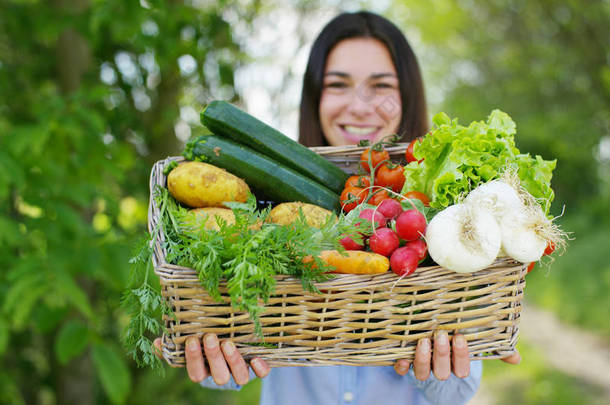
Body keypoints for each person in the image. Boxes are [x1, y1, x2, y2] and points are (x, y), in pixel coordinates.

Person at [154, 10, 521, 405]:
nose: (360, 106)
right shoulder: (263, 203)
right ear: (315, 98)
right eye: (338, 85)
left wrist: (443, 372)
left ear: (408, 97)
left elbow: (456, 394)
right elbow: (231, 347)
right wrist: (218, 366)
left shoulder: (446, 218)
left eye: (380, 86)